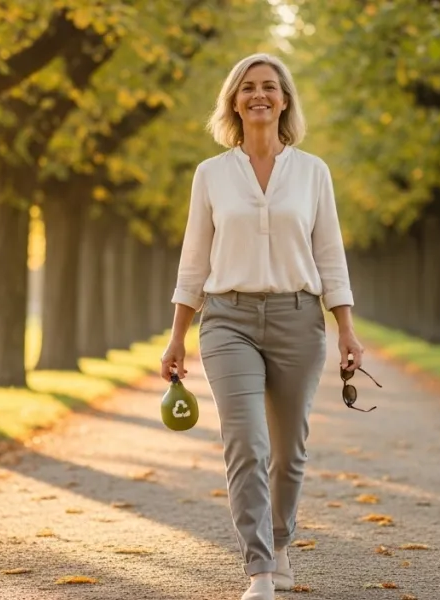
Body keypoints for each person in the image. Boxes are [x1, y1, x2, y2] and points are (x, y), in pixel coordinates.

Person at [159, 52, 365, 600]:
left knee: (289, 449)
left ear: (285, 100)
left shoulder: (313, 172)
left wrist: (346, 328)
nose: (259, 95)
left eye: (270, 86)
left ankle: (279, 540)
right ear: (233, 99)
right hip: (228, 320)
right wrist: (177, 336)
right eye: (248, 87)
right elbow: (194, 261)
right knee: (246, 443)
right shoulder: (211, 175)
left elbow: (330, 256)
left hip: (300, 318)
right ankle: (260, 570)